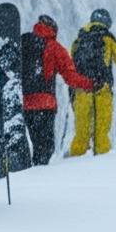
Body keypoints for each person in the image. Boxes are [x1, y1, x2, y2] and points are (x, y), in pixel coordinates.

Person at [20, 15, 94, 165]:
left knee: (34, 144)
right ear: (53, 29)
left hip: (26, 104)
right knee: (45, 149)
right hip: (45, 105)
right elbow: (70, 76)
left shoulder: (24, 43)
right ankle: (38, 178)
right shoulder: (54, 47)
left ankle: (28, 173)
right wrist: (91, 84)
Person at [68, 9, 116, 156]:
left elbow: (70, 67)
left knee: (81, 132)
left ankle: (75, 164)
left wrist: (73, 91)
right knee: (101, 132)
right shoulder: (108, 39)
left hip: (82, 91)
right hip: (102, 90)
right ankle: (101, 165)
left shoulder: (79, 40)